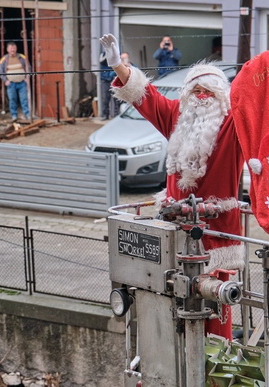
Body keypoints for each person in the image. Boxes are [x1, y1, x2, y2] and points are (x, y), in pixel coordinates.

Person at [101, 33, 243, 340]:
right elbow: (146, 97)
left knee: (216, 305)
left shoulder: (233, 124)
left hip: (216, 234)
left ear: (221, 97)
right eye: (196, 90)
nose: (201, 96)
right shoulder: (178, 117)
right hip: (173, 229)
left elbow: (257, 124)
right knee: (169, 301)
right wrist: (118, 66)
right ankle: (172, 363)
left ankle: (218, 373)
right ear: (187, 95)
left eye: (208, 92)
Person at [0, 42, 30, 122]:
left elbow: (29, 67)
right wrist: (5, 80)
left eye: (14, 48)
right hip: (11, 84)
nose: (12, 49)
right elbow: (0, 71)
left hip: (22, 82)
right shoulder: (4, 59)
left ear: (16, 49)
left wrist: (27, 77)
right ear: (7, 49)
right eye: (11, 48)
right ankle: (14, 115)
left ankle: (27, 114)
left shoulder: (22, 57)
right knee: (12, 100)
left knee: (24, 99)